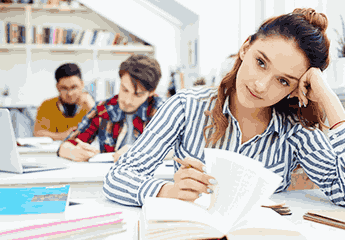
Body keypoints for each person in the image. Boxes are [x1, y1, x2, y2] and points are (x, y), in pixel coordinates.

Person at [102, 8, 345, 207]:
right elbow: (118, 177)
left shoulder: (295, 129)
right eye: (260, 62)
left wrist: (327, 97)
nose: (260, 86)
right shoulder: (185, 106)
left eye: (283, 81)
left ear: (295, 88)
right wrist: (166, 190)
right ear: (245, 47)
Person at [58, 54, 164, 162]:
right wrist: (72, 151)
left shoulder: (162, 110)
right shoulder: (104, 108)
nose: (127, 100)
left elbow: (176, 149)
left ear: (151, 92)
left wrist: (139, 151)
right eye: (125, 89)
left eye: (138, 95)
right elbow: (66, 145)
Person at [34, 63, 95, 141]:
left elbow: (106, 132)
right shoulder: (47, 105)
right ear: (57, 87)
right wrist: (64, 135)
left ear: (82, 84)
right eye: (64, 88)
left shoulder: (90, 104)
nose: (69, 93)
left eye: (74, 87)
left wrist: (92, 107)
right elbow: (38, 133)